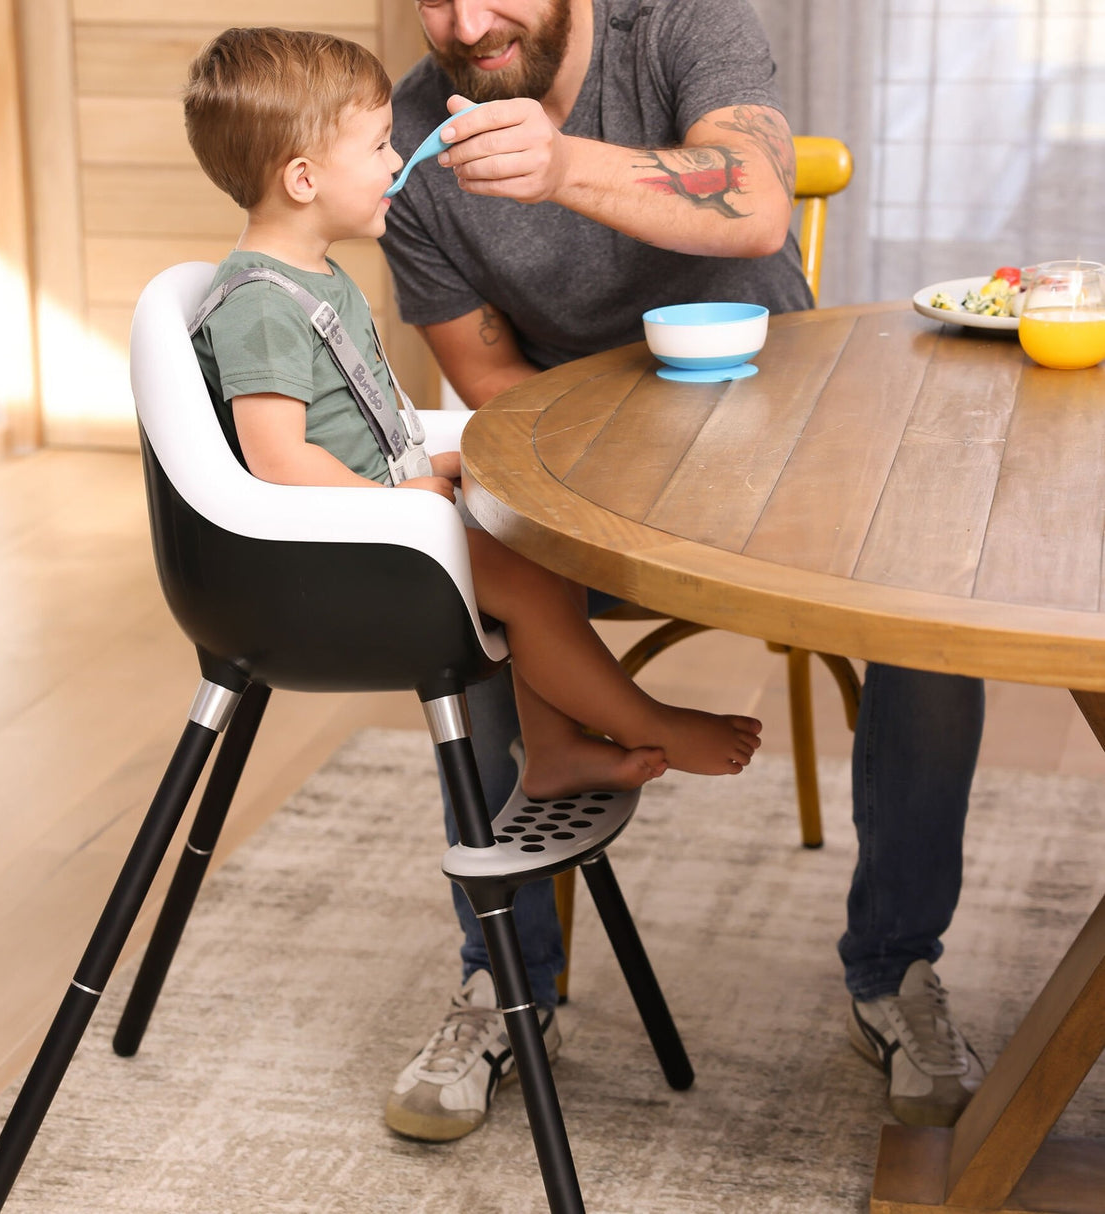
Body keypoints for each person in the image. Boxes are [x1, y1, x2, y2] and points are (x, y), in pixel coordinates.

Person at [378, 0, 987, 1140]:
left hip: (800, 462)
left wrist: (559, 167)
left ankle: (892, 972)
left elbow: (754, 204)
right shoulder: (411, 128)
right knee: (451, 593)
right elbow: (484, 374)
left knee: (932, 616)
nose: (465, 22)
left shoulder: (681, 28)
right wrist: (613, 488)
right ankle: (504, 978)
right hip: (593, 494)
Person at [182, 29, 764, 812]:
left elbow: (348, 425)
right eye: (381, 147)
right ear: (303, 178)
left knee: (533, 550)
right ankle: (647, 723)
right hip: (336, 561)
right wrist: (402, 501)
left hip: (381, 518)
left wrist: (425, 472)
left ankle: (553, 750)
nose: (399, 163)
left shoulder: (313, 277)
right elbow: (279, 462)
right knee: (523, 576)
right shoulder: (260, 304)